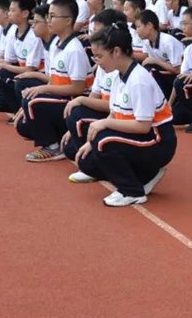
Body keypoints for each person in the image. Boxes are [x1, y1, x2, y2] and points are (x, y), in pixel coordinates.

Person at [73, 23, 177, 207]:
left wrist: (103, 125)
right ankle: (146, 175)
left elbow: (143, 126)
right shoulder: (118, 76)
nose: (97, 62)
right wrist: (91, 142)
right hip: (141, 137)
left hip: (158, 140)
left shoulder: (138, 80)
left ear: (116, 52)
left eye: (100, 56)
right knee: (86, 160)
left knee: (103, 142)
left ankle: (132, 191)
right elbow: (115, 113)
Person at [15, 0, 91, 162]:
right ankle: (57, 135)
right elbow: (54, 79)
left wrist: (44, 89)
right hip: (61, 97)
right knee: (23, 124)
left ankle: (52, 146)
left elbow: (78, 89)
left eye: (53, 16)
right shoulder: (57, 44)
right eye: (48, 16)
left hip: (75, 101)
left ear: (68, 21)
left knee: (33, 102)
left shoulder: (74, 49)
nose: (48, 20)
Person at [61, 8, 126, 181]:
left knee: (77, 115)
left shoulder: (120, 68)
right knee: (69, 146)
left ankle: (95, 165)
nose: (92, 37)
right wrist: (72, 130)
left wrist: (81, 101)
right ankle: (92, 159)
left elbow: (115, 108)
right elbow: (95, 95)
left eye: (96, 31)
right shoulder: (105, 63)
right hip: (113, 116)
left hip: (126, 123)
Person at [135, 10, 185, 99]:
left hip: (179, 78)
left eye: (138, 27)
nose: (136, 31)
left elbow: (179, 69)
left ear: (149, 25)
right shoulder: (147, 42)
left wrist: (155, 61)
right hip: (165, 75)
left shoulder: (168, 42)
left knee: (151, 71)